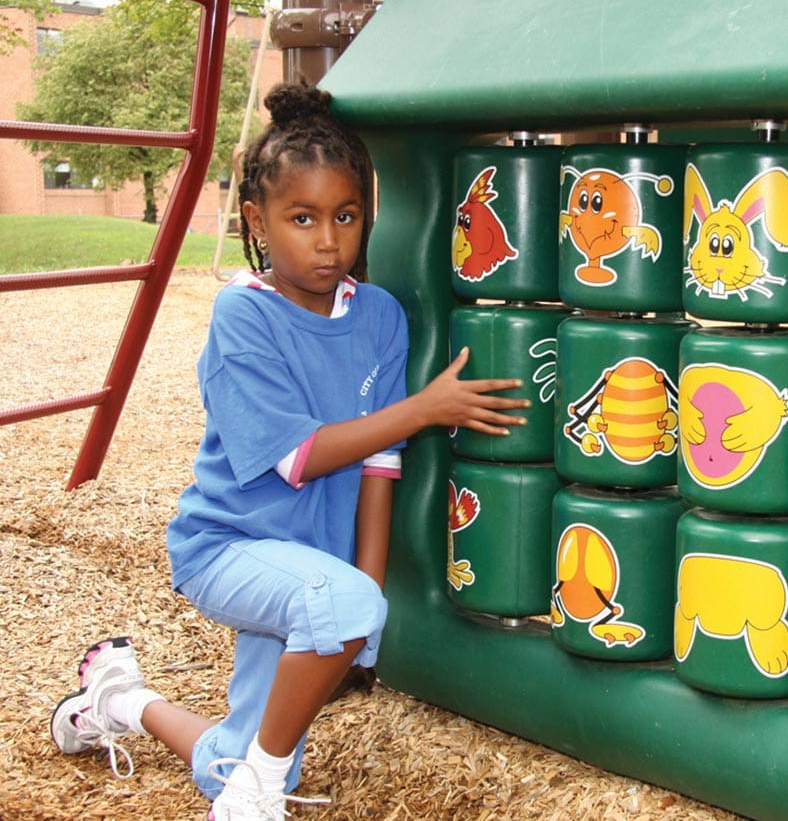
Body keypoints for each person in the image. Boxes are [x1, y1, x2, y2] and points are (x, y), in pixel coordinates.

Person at [49, 82, 529, 820]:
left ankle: (122, 698)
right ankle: (257, 796)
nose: (329, 241)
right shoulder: (243, 315)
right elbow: (299, 458)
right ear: (257, 221)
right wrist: (425, 409)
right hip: (228, 548)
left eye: (347, 216)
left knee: (240, 752)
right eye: (302, 219)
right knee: (288, 716)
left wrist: (366, 613)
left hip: (315, 575)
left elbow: (379, 466)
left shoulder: (379, 315)